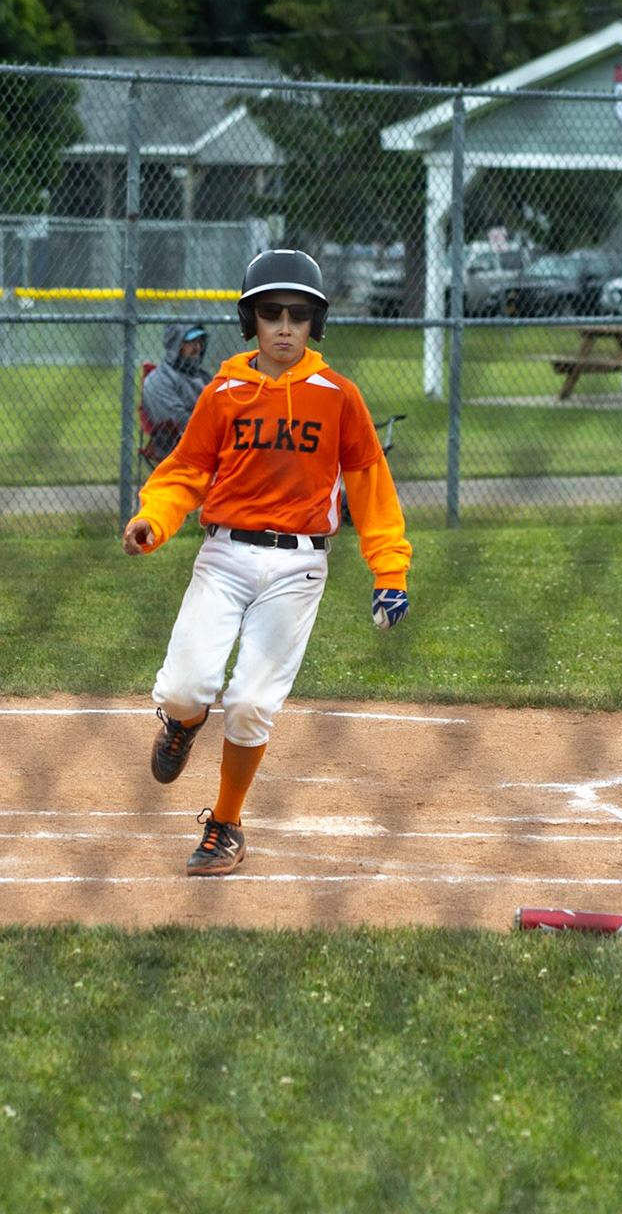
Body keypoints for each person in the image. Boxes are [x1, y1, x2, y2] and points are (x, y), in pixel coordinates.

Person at [121, 249, 412, 875]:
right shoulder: (224, 394)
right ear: (251, 320)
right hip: (223, 556)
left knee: (252, 702)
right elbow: (185, 474)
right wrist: (155, 521)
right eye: (272, 313)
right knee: (183, 687)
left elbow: (370, 487)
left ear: (315, 325)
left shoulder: (338, 397)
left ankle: (225, 825)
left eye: (299, 315)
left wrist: (390, 574)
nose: (285, 326)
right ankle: (182, 722)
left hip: (298, 568)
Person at [138, 323, 210, 467]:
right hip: (181, 450)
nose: (198, 348)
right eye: (191, 342)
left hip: (214, 443)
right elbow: (179, 421)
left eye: (199, 342)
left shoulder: (205, 376)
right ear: (175, 346)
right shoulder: (159, 379)